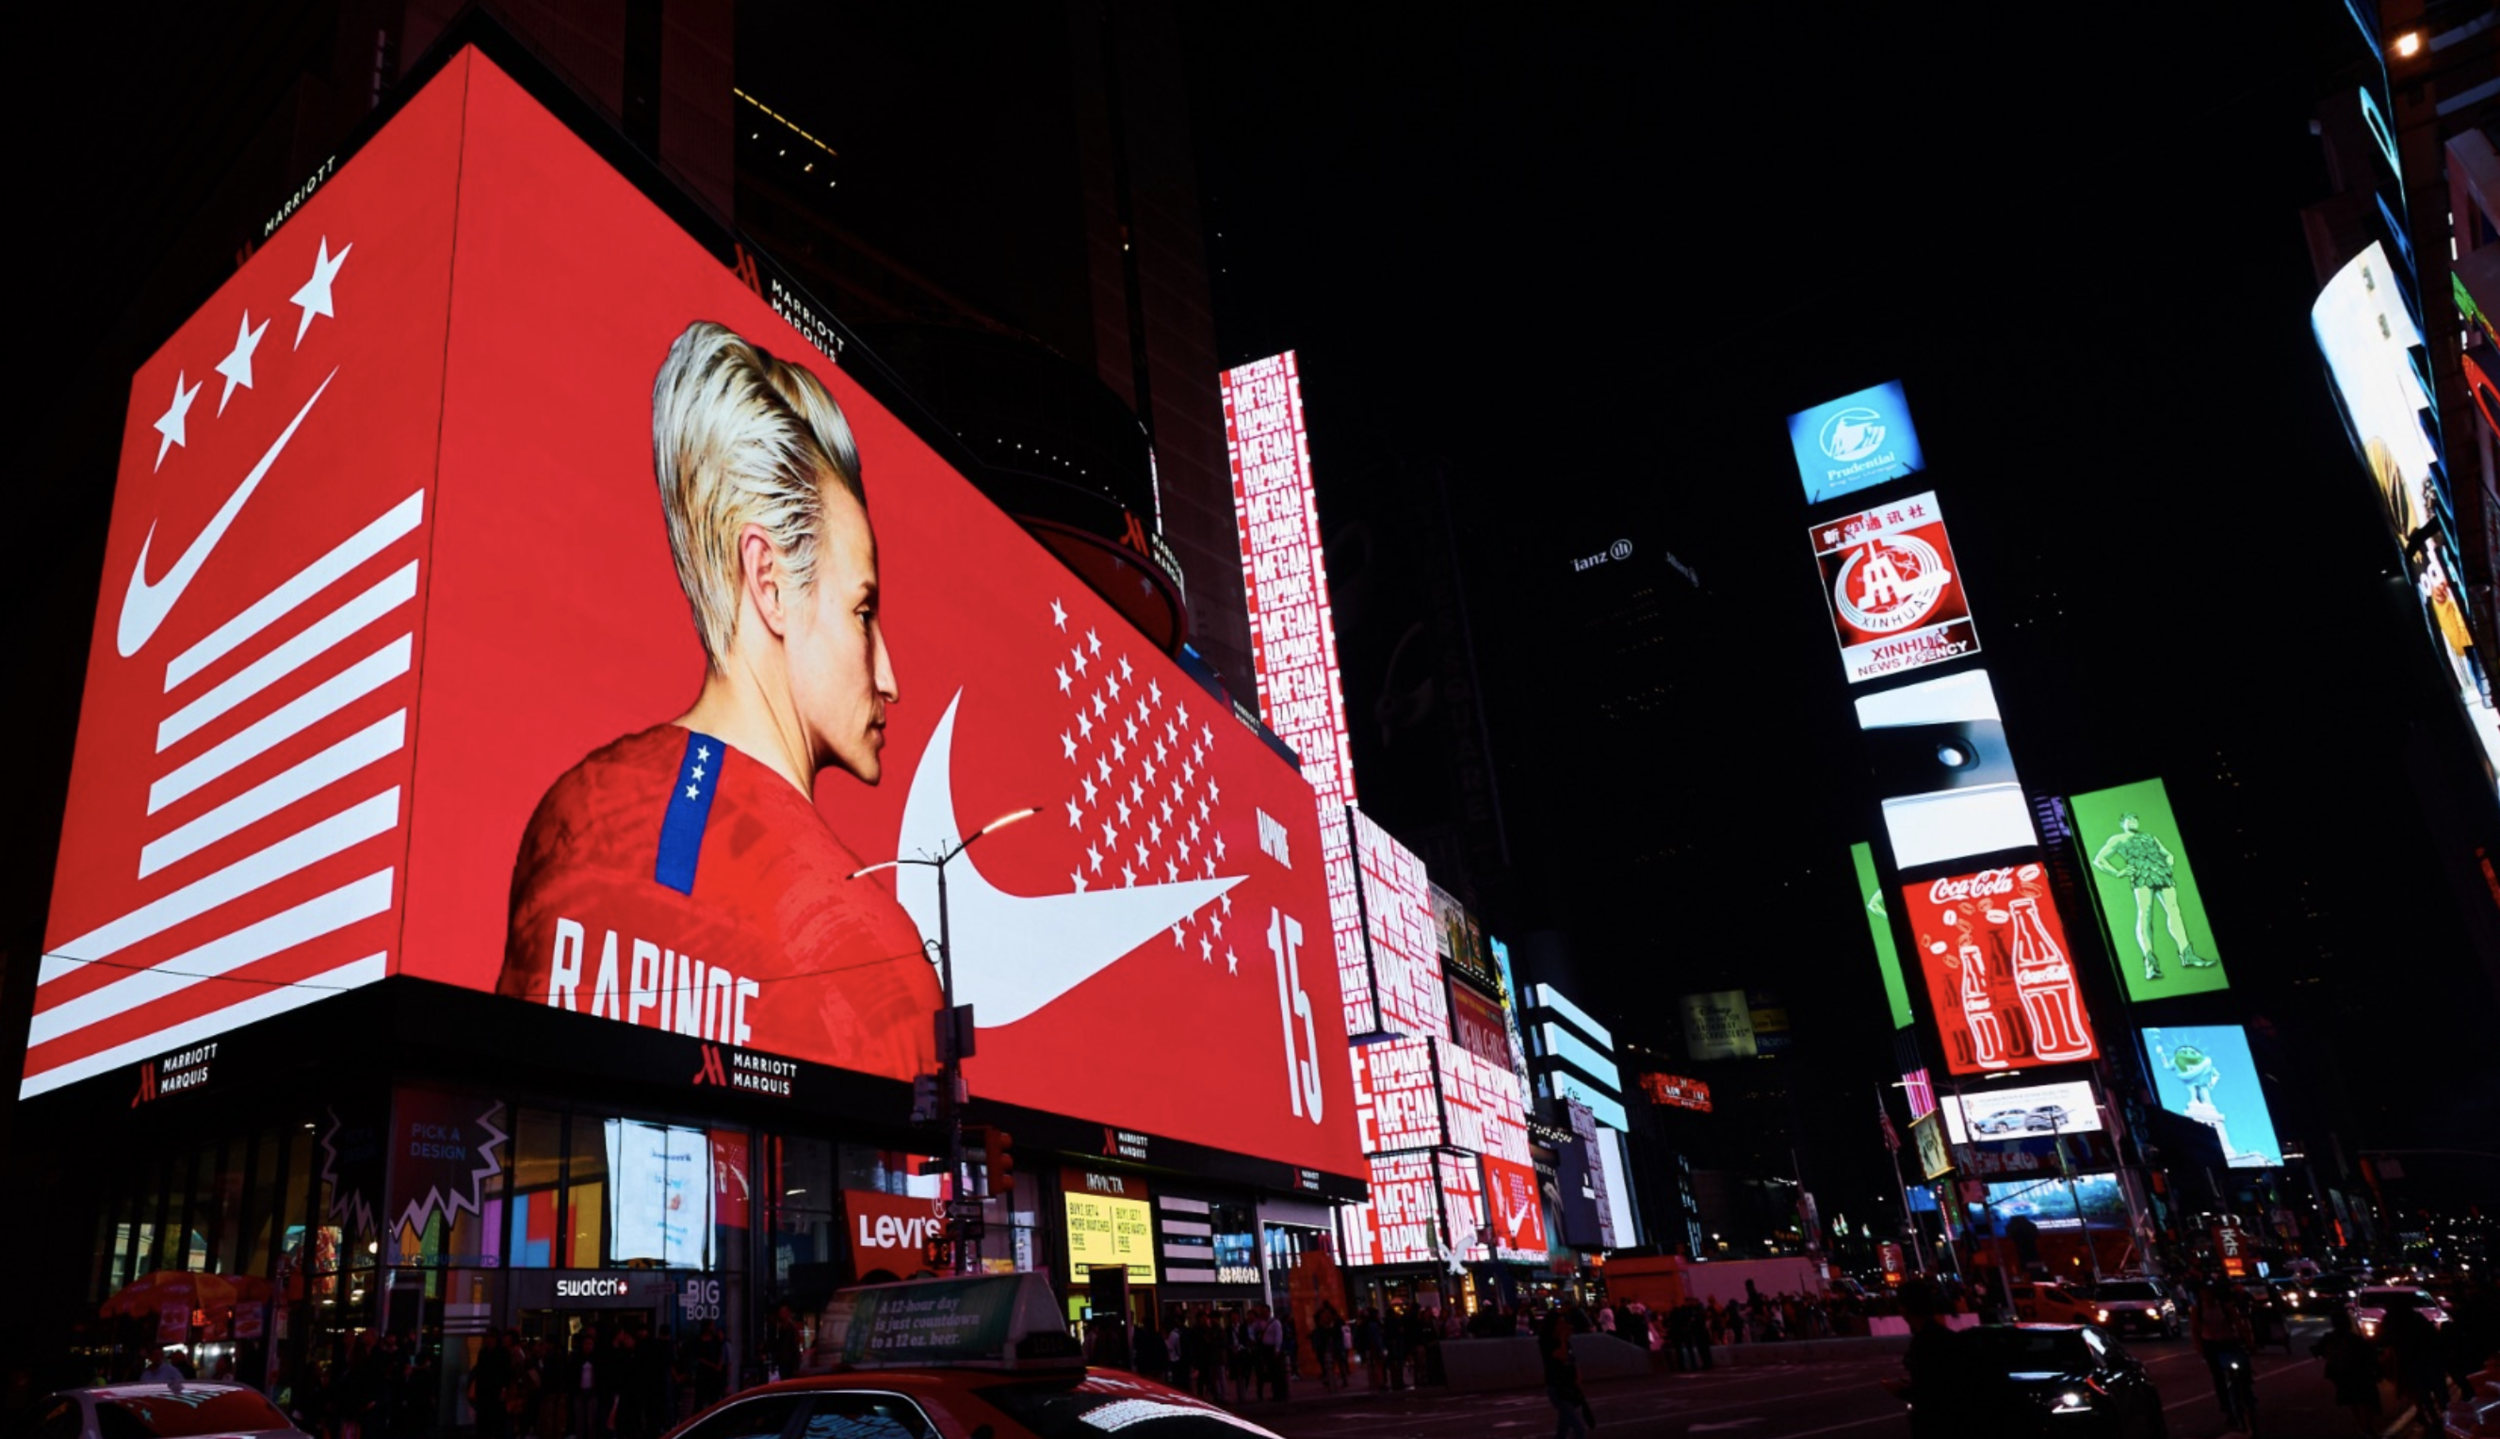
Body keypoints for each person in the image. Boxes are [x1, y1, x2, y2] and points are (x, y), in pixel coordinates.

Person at [497, 321, 936, 1080]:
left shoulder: (571, 815)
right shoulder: (879, 958)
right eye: (863, 611)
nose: (889, 675)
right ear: (767, 582)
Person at [2091, 811, 2212, 980]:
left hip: (2161, 873)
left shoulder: (2150, 837)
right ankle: (2150, 962)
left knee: (2174, 910)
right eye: (2129, 819)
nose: (2133, 821)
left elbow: (2168, 854)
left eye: (2135, 819)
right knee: (2145, 913)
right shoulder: (2117, 839)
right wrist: (2118, 872)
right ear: (2122, 823)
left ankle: (2187, 954)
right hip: (2141, 876)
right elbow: (2099, 859)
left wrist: (2168, 863)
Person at [2188, 1273, 2255, 1425]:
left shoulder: (2225, 1308)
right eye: (2204, 1293)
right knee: (2219, 1378)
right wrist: (2198, 1345)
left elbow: (2239, 1325)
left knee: (2243, 1365)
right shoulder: (2197, 1310)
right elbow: (2195, 1329)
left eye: (2209, 1293)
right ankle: (2227, 1409)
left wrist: (2249, 1342)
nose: (2207, 1296)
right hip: (2211, 1345)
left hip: (2228, 1342)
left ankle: (2247, 1393)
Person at [2309, 1308, 2381, 1435]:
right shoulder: (2354, 1339)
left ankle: (2361, 1426)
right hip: (2358, 1373)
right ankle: (2367, 1426)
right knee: (2366, 1398)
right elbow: (2369, 1355)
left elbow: (2316, 1351)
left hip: (2339, 1373)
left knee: (2351, 1400)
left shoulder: (2329, 1337)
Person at [1537, 1310, 1593, 1439]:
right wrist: (1563, 1339)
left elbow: (1572, 1360)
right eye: (1560, 1323)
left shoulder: (1565, 1341)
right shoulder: (1547, 1341)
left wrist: (1577, 1378)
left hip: (1568, 1385)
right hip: (1557, 1387)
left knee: (1564, 1424)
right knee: (1578, 1427)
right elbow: (1561, 1356)